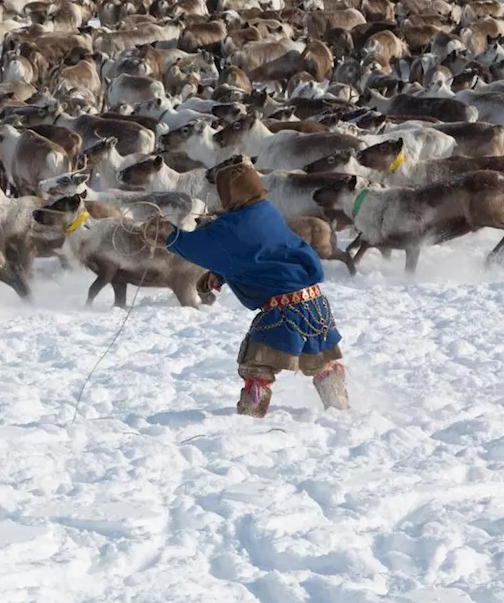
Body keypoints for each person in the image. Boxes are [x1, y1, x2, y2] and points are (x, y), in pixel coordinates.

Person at [141, 161, 349, 418]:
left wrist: (167, 233)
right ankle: (341, 409)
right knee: (322, 361)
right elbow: (260, 255)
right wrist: (223, 272)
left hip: (284, 312)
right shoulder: (266, 212)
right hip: (316, 305)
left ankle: (250, 420)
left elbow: (195, 246)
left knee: (257, 365)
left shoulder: (231, 227)